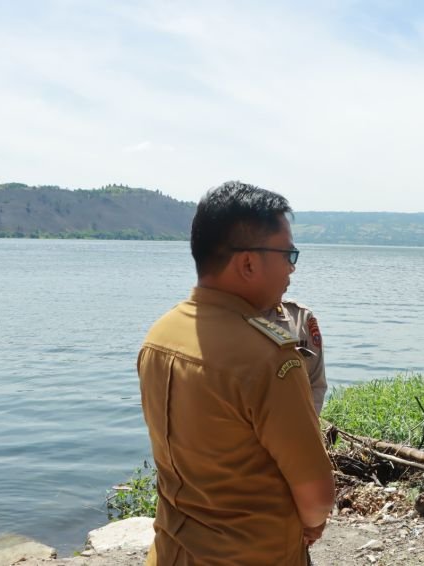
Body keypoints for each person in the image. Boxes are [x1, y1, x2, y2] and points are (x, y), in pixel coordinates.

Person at [138, 181, 334, 565]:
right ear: (248, 263)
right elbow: (317, 498)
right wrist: (310, 524)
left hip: (171, 552)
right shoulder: (269, 357)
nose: (292, 267)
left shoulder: (159, 334)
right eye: (288, 254)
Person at [266, 299, 327, 415]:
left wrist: (306, 424)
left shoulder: (301, 316)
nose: (289, 281)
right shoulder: (231, 318)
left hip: (295, 422)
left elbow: (317, 383)